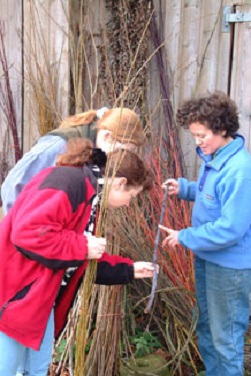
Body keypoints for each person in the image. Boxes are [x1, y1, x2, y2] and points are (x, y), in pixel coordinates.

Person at [0, 138, 157, 376]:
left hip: (40, 302)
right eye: (132, 196)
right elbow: (28, 233)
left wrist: (129, 270)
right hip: (14, 296)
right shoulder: (68, 183)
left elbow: (79, 259)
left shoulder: (90, 196)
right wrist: (82, 245)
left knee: (37, 369)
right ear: (121, 183)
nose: (128, 204)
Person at [159, 91, 251, 376]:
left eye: (202, 135)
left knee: (225, 338)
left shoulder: (240, 171)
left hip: (229, 270)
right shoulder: (217, 158)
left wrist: (185, 236)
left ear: (222, 129)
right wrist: (185, 188)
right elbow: (213, 195)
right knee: (208, 328)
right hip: (208, 260)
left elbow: (231, 229)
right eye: (194, 136)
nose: (198, 142)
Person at [1, 107, 145, 215]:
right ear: (107, 136)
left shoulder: (95, 154)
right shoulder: (58, 146)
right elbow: (12, 186)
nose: (121, 156)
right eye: (121, 150)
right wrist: (21, 235)